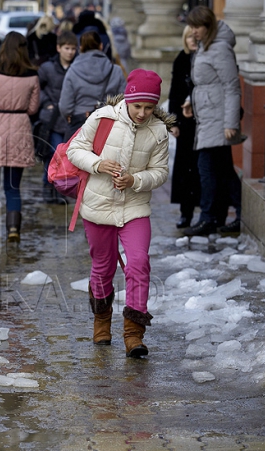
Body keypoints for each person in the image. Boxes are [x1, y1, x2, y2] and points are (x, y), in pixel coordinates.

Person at [66, 69, 172, 357]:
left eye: (149, 107)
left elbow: (161, 172)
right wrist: (98, 164)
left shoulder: (159, 131)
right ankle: (102, 322)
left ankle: (134, 334)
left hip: (135, 207)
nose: (142, 113)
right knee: (103, 267)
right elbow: (74, 150)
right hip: (98, 206)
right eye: (137, 105)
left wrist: (135, 181)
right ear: (128, 98)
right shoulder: (102, 118)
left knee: (138, 263)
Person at [181, 5, 243, 237]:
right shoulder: (206, 46)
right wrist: (191, 101)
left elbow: (231, 87)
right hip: (208, 115)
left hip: (218, 119)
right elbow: (206, 83)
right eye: (192, 27)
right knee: (224, 170)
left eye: (197, 27)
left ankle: (208, 217)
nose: (193, 31)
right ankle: (234, 214)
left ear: (208, 26)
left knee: (206, 169)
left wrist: (231, 123)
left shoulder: (220, 49)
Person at [0, 32, 40, 244]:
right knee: (13, 187)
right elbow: (33, 109)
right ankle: (13, 229)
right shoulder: (32, 76)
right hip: (19, 130)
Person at [58, 31, 126, 140]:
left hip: (79, 124)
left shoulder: (73, 70)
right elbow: (123, 100)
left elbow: (65, 105)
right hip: (108, 124)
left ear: (80, 48)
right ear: (101, 46)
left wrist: (69, 115)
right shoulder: (116, 70)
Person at [37, 31, 78, 204]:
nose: (70, 52)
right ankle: (48, 186)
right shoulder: (47, 68)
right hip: (52, 119)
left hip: (71, 120)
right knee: (54, 152)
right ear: (58, 48)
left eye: (73, 49)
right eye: (67, 48)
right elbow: (37, 88)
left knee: (67, 157)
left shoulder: (78, 68)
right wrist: (46, 103)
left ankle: (59, 188)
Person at [168, 26, 200, 229]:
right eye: (189, 36)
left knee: (201, 168)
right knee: (185, 168)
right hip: (185, 121)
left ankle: (205, 211)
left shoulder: (205, 58)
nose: (192, 40)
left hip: (203, 120)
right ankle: (185, 213)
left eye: (195, 36)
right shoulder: (181, 60)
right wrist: (172, 122)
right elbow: (174, 92)